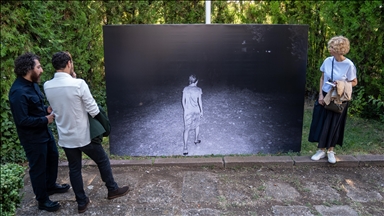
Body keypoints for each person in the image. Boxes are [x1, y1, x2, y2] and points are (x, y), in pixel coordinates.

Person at [43, 51, 129, 213]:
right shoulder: (79, 84)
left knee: (74, 168)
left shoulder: (47, 85)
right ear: (69, 63)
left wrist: (72, 78)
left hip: (66, 136)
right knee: (102, 160)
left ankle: (81, 202)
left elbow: (63, 100)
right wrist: (105, 125)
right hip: (84, 135)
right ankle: (112, 189)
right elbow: (93, 109)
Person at [8, 53, 70, 212]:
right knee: (38, 168)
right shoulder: (18, 92)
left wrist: (45, 110)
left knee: (53, 157)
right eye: (38, 67)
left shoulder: (33, 84)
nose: (42, 70)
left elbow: (35, 109)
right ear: (29, 69)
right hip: (32, 138)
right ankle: (42, 200)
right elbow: (22, 120)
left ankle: (50, 186)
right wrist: (45, 119)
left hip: (44, 132)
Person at [308, 36, 358, 164]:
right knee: (322, 122)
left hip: (339, 98)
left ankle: (330, 151)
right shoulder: (328, 61)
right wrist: (320, 95)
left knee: (334, 124)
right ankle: (320, 150)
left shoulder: (349, 65)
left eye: (332, 47)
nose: (329, 49)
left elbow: (354, 82)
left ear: (339, 50)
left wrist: (341, 83)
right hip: (326, 95)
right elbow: (322, 78)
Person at [182, 74, 203, 155]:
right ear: (196, 81)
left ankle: (185, 148)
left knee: (186, 129)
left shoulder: (185, 89)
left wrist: (185, 109)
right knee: (197, 125)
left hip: (187, 111)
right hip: (196, 110)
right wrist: (202, 111)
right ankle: (196, 140)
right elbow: (200, 102)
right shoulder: (198, 89)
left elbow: (183, 101)